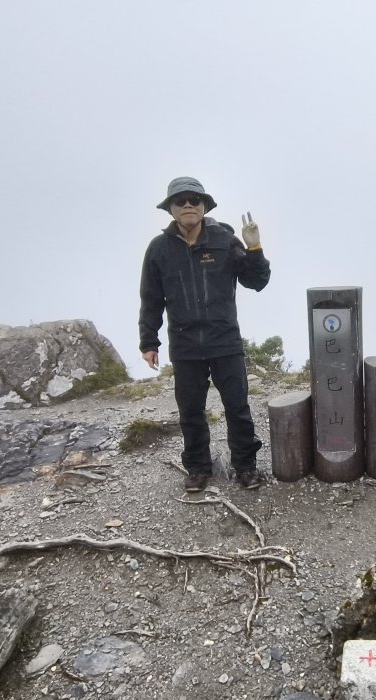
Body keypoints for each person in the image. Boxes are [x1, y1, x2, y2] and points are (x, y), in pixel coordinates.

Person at [138, 176, 271, 492]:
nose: (188, 205)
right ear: (170, 208)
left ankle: (246, 467)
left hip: (225, 342)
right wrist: (149, 341)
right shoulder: (158, 249)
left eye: (194, 200)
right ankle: (198, 469)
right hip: (185, 346)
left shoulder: (225, 240)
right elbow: (151, 298)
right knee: (191, 412)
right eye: (180, 200)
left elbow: (256, 281)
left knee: (237, 407)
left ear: (204, 206)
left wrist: (254, 247)